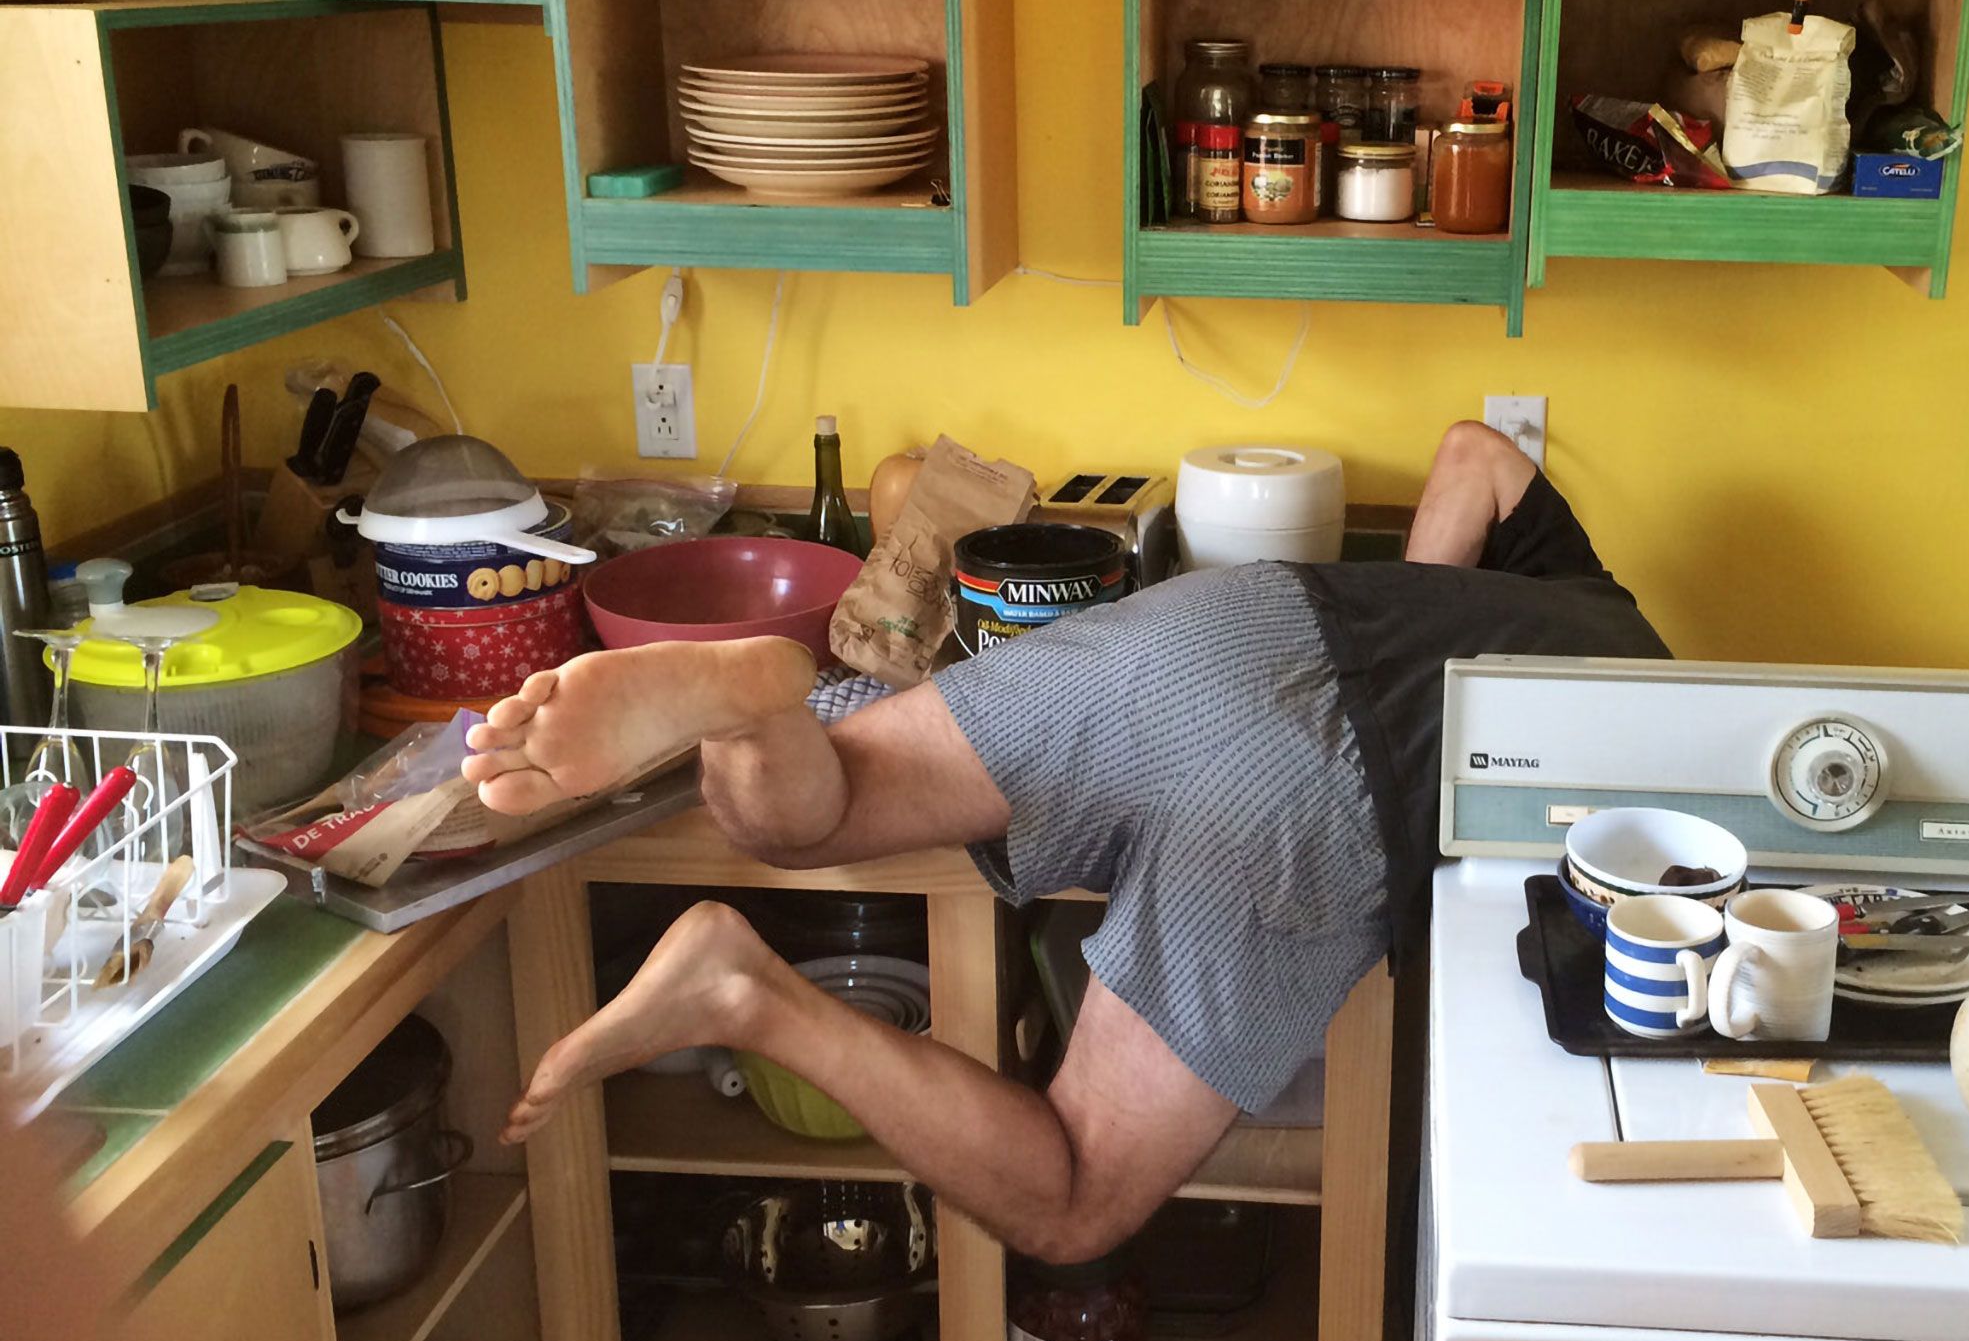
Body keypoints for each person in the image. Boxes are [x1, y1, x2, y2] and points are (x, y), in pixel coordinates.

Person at [464, 421, 1666, 1262]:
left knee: (816, 806)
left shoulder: (1594, 595)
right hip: (1312, 781)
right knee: (1075, 1193)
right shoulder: (1672, 753)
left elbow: (1476, 454)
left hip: (1221, 625)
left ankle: (753, 701)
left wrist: (1413, 618)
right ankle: (746, 993)